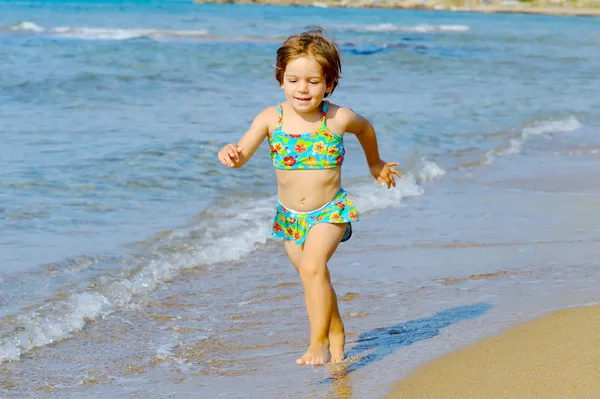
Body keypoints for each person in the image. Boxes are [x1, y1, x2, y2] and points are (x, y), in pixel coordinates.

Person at [217, 28, 402, 366]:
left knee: (314, 267)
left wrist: (374, 162)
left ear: (329, 84)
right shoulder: (269, 118)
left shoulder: (337, 118)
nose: (303, 89)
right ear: (280, 80)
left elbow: (366, 128)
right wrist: (230, 153)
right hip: (289, 217)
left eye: (313, 81)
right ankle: (335, 337)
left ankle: (316, 343)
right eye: (294, 80)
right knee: (313, 276)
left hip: (330, 211)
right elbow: (242, 155)